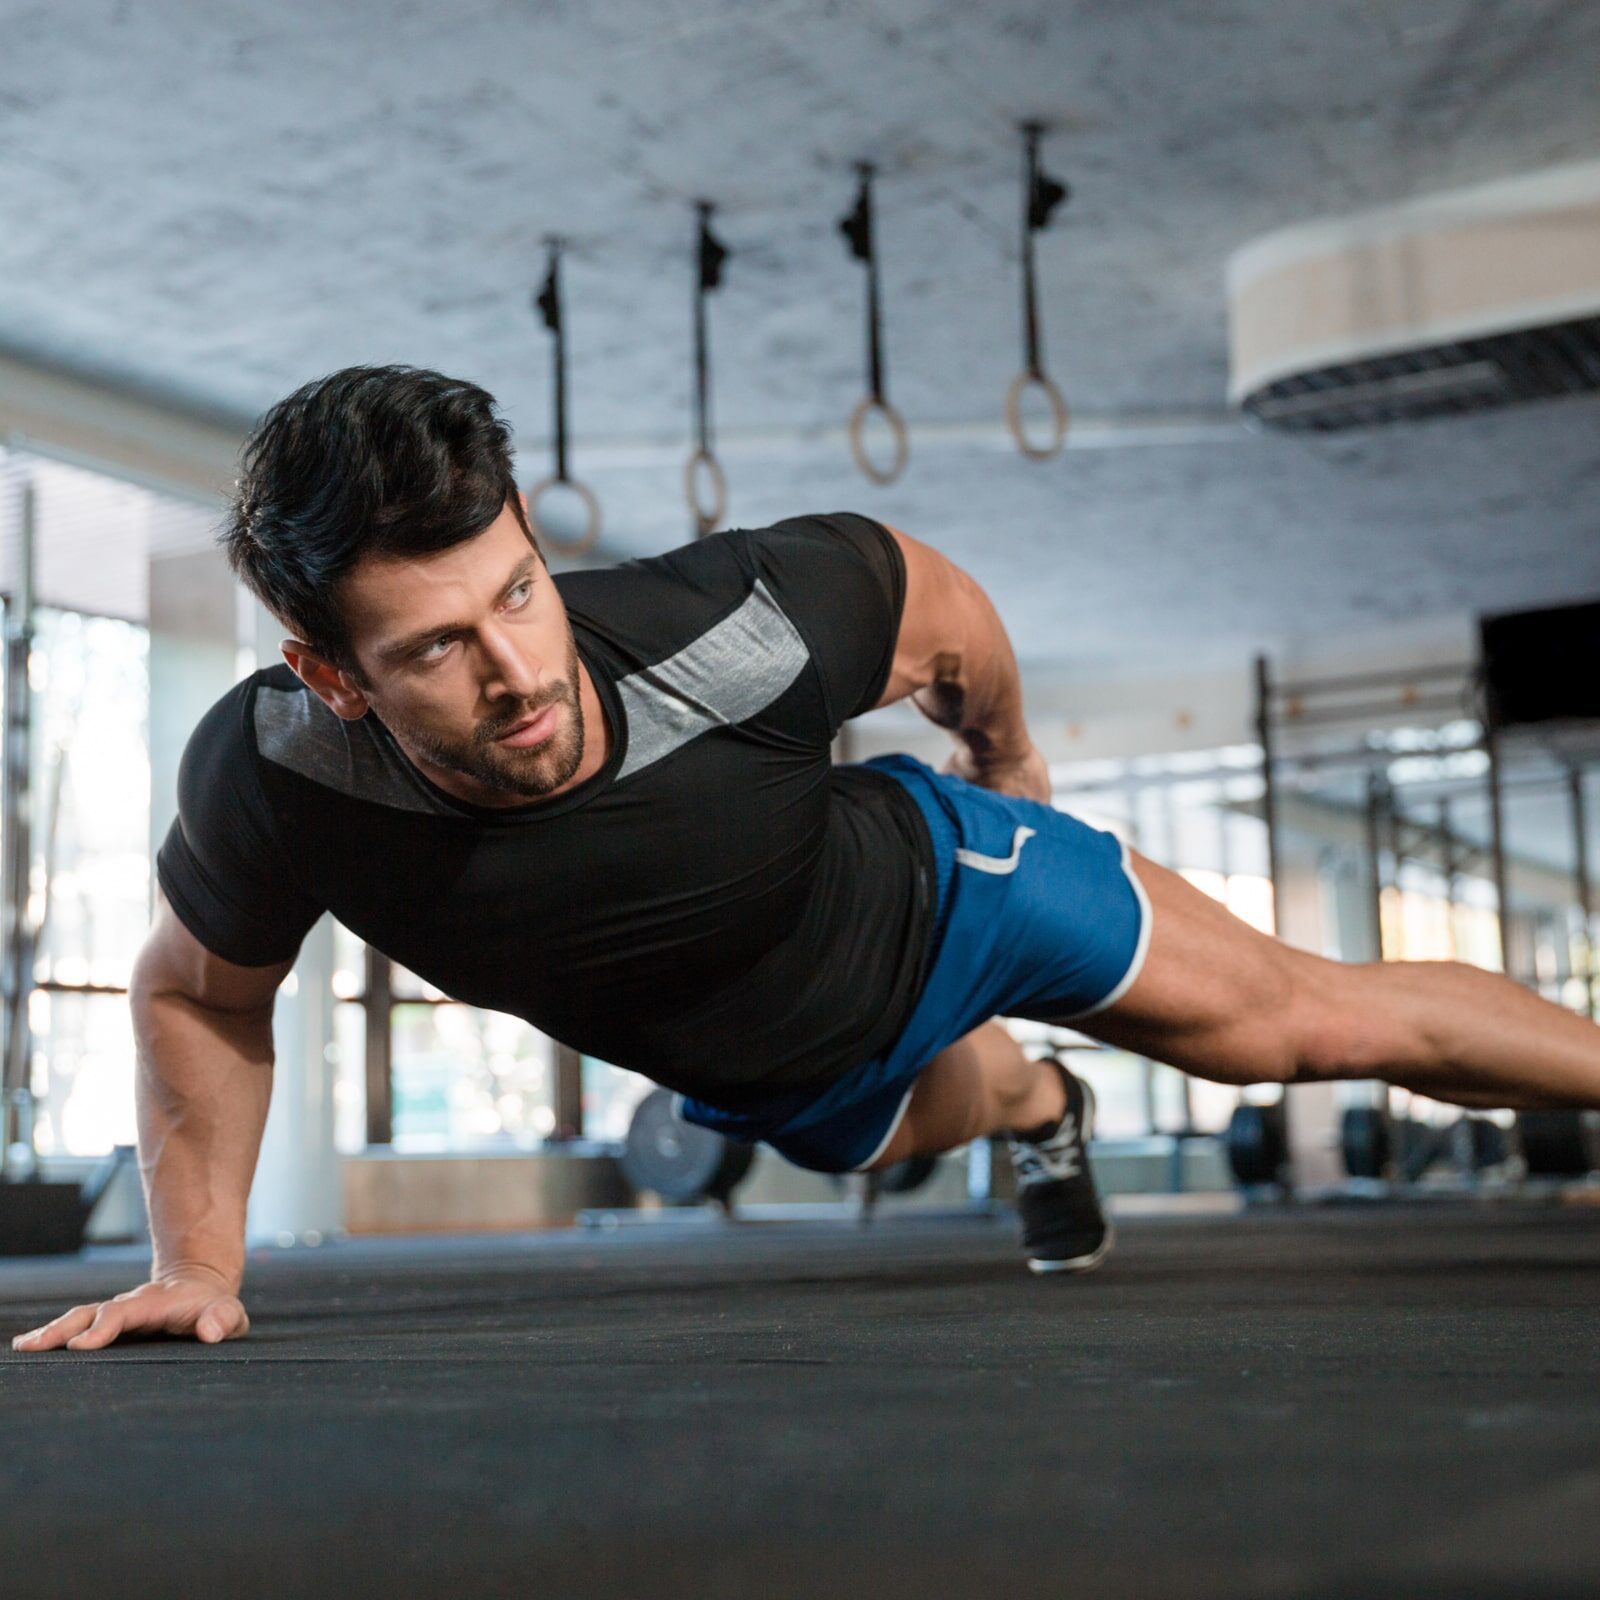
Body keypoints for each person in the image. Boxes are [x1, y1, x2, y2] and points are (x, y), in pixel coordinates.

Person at [14, 366, 1600, 1352]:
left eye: (515, 591)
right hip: (788, 1071)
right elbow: (202, 998)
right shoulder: (278, 773)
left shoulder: (741, 622)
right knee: (916, 1121)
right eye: (434, 646)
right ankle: (1045, 1107)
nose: (515, 673)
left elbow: (943, 605)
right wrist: (194, 1263)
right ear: (334, 672)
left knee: (1305, 1030)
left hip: (951, 888)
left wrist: (1010, 760)